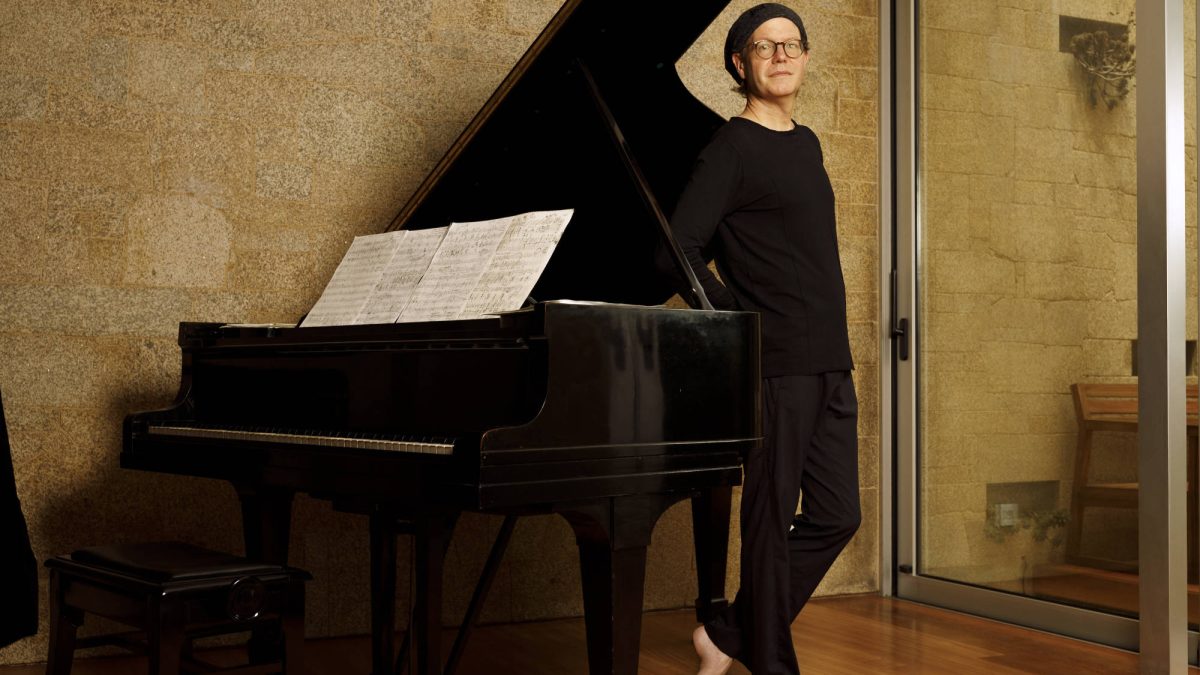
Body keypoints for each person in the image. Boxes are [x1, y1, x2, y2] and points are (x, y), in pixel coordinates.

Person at [659, 4, 861, 674]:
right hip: (776, 363)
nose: (779, 54)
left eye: (791, 43)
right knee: (770, 527)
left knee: (837, 514)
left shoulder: (805, 143)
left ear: (804, 57)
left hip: (830, 357)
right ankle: (771, 662)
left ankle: (726, 633)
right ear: (739, 63)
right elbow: (676, 249)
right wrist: (738, 315)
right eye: (761, 45)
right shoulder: (731, 148)